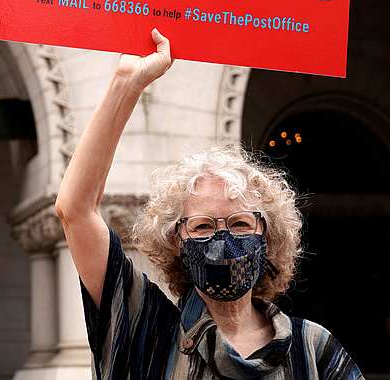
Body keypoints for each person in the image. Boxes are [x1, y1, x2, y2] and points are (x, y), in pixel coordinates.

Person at [54, 28, 363, 379]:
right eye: (202, 226)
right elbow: (75, 210)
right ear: (176, 241)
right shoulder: (145, 327)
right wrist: (127, 82)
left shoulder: (313, 349)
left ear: (267, 234)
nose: (223, 239)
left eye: (240, 223)